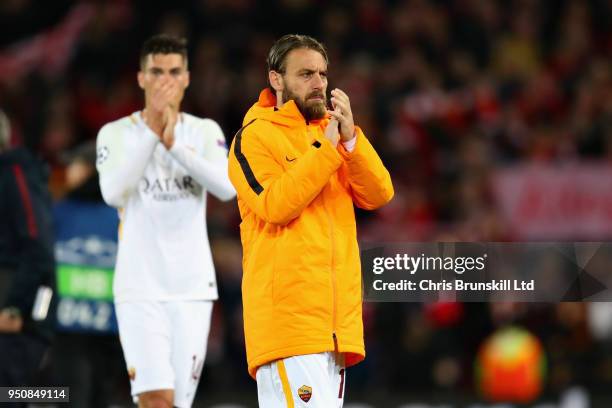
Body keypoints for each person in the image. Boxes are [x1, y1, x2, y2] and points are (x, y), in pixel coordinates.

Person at [228, 34, 394, 407]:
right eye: (305, 74)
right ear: (276, 79)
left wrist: (351, 140)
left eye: (322, 73)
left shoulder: (331, 136)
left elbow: (379, 194)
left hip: (335, 331)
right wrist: (326, 150)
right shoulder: (254, 138)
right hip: (289, 327)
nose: (319, 83)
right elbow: (275, 204)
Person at [96, 34, 236, 408]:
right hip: (139, 287)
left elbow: (226, 188)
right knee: (156, 400)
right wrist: (152, 134)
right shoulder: (116, 133)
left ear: (187, 77)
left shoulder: (205, 132)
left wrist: (175, 146)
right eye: (156, 72)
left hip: (192, 288)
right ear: (141, 78)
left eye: (174, 72)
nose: (165, 81)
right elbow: (113, 193)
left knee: (179, 404)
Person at [0, 109, 56, 404]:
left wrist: (13, 307)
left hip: (16, 321)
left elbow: (38, 248)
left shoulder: (15, 174)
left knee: (11, 396)